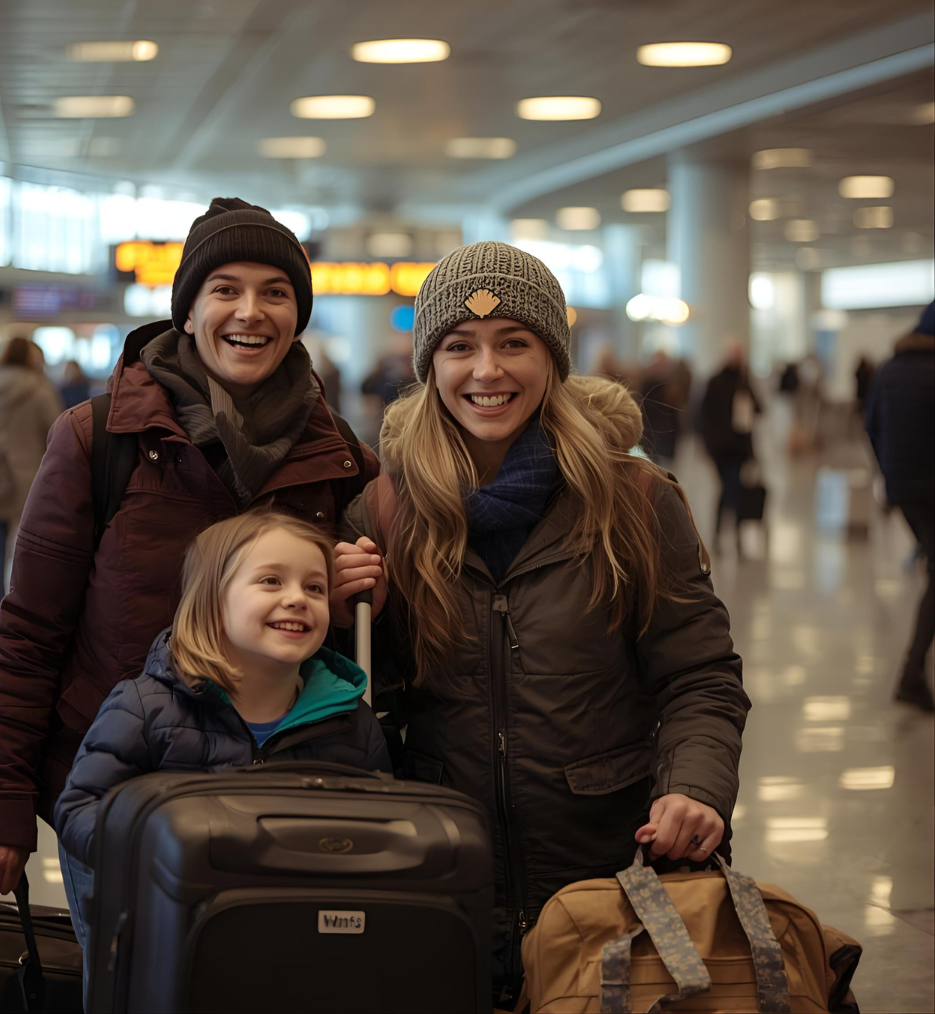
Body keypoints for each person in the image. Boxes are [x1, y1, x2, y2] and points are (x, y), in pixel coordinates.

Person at [329, 243, 749, 1001]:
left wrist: (694, 786)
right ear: (431, 366)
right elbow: (361, 703)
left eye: (514, 343)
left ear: (553, 358)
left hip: (608, 880)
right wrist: (340, 617)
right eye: (460, 346)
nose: (487, 371)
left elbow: (701, 675)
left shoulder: (633, 500)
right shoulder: (387, 512)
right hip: (444, 879)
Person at [0, 198, 379, 924]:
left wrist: (349, 600)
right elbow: (30, 630)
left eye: (275, 292)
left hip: (284, 805)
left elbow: (356, 632)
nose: (250, 312)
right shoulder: (100, 439)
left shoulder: (336, 454)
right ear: (187, 312)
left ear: (297, 316)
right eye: (225, 289)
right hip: (128, 795)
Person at [53, 511, 389, 975]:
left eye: (315, 587)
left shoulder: (350, 722)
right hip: (174, 944)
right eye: (271, 581)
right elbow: (80, 810)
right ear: (213, 601)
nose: (297, 598)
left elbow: (380, 830)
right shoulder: (146, 708)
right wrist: (172, 856)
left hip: (295, 950)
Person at [866, 302, 935, 712]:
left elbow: (870, 425)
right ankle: (911, 674)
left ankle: (913, 673)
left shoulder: (889, 369)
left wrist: (889, 472)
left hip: (902, 490)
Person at [0, 337, 62, 629]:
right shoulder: (40, 390)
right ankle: (22, 628)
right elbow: (59, 436)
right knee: (29, 557)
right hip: (30, 483)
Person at [699, 340, 762, 552]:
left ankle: (730, 534)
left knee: (733, 490)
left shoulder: (744, 382)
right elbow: (704, 416)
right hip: (721, 448)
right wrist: (709, 443)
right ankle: (724, 534)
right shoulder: (715, 381)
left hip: (739, 448)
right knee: (728, 489)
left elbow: (758, 409)